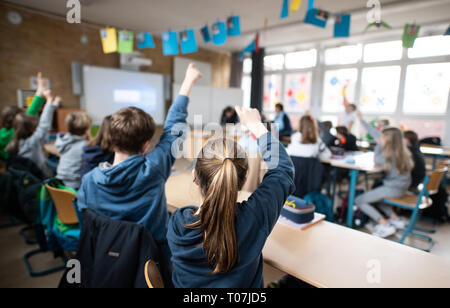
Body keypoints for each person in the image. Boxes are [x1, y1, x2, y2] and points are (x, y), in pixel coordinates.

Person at [77, 64, 203, 261]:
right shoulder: (154, 168)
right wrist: (188, 82)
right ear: (145, 145)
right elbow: (173, 130)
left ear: (109, 139)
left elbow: (86, 226)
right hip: (151, 262)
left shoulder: (88, 182)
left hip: (104, 258)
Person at [167, 106, 295, 287]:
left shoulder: (178, 223)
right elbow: (283, 169)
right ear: (242, 183)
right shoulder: (255, 216)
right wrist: (257, 126)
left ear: (195, 176)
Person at [356, 112, 414, 238]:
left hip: (393, 189)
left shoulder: (387, 156)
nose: (379, 139)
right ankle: (395, 219)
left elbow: (376, 159)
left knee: (359, 200)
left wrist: (378, 145)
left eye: (381, 138)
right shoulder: (402, 152)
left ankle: (385, 225)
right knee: (378, 199)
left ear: (387, 140)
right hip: (402, 188)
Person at [7, 89, 60, 179]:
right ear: (32, 126)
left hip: (24, 179)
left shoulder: (12, 143)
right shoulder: (34, 141)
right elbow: (45, 123)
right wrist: (49, 99)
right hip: (41, 179)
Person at [0, 73, 48, 160]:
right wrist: (40, 90)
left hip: (12, 166)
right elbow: (33, 109)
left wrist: (6, 158)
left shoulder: (2, 134)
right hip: (27, 164)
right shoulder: (16, 131)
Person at [55, 112, 92, 189]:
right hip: (76, 186)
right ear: (86, 129)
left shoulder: (64, 140)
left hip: (60, 183)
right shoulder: (84, 145)